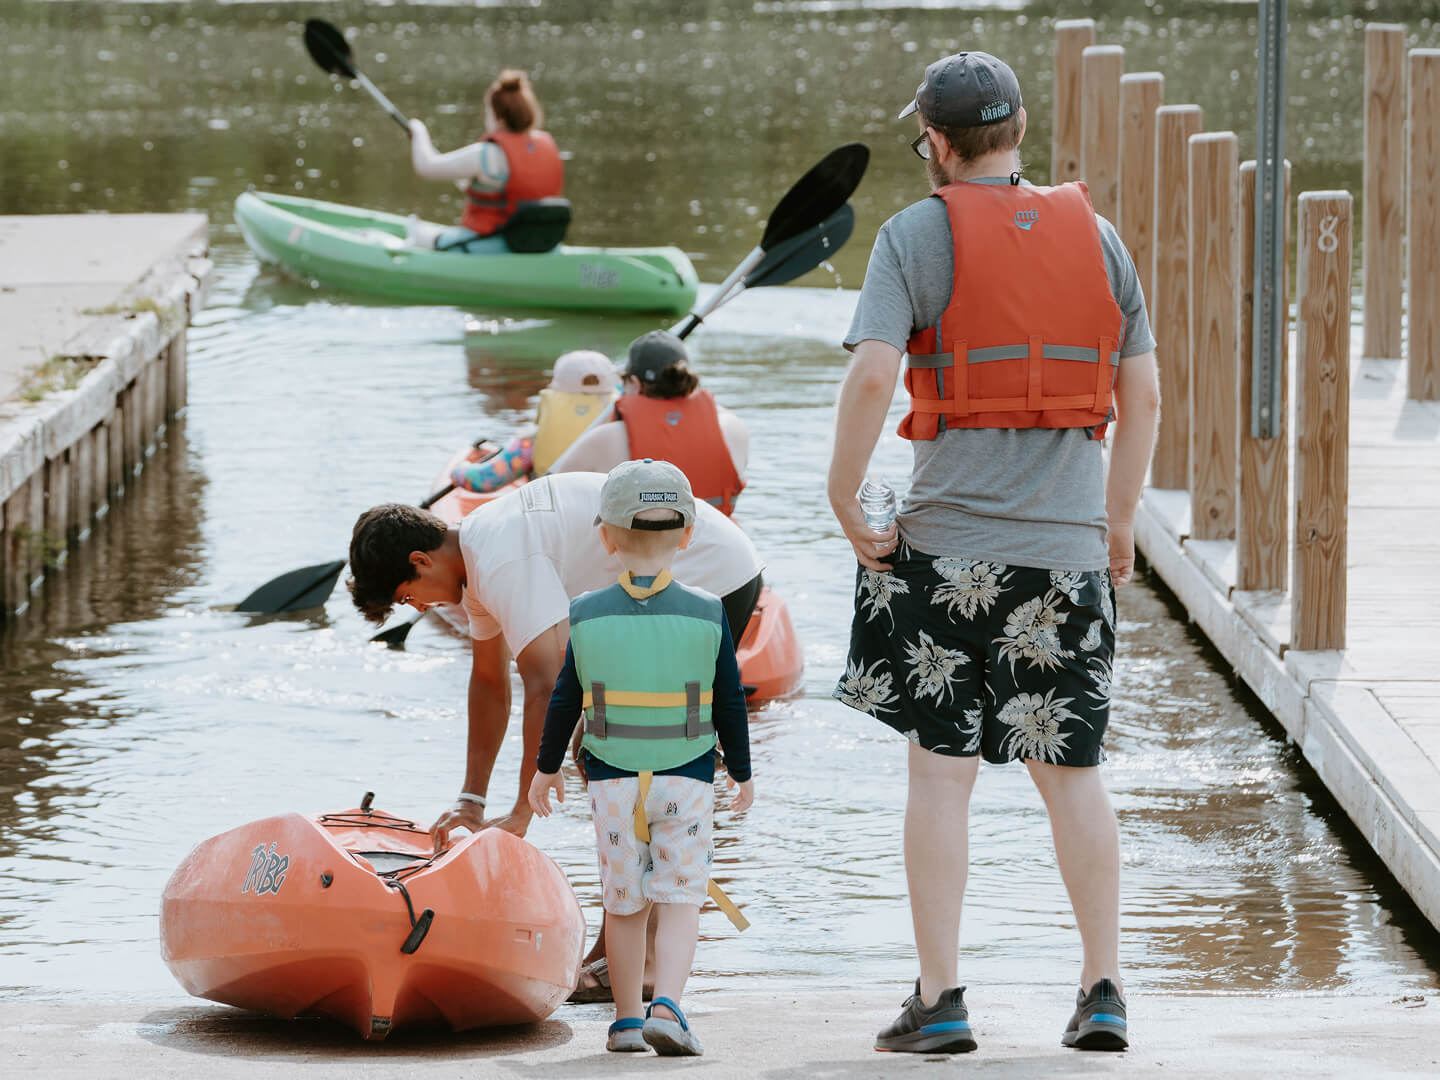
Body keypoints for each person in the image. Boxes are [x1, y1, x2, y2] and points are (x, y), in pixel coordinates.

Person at [828, 52, 1159, 1055]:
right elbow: (1143, 396)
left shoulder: (912, 237)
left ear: (932, 140)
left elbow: (874, 377)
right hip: (1064, 560)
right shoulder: (1097, 240)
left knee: (940, 776)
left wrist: (844, 495)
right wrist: (1117, 518)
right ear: (1017, 132)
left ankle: (942, 1001)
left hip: (943, 556)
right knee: (1074, 773)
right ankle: (1103, 990)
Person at [346, 470, 762, 842]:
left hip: (712, 573)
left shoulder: (499, 559)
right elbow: (490, 683)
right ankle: (647, 895)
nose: (418, 608)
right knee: (600, 743)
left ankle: (661, 893)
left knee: (612, 739)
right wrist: (471, 802)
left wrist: (521, 814)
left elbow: (544, 685)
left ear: (421, 561)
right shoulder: (477, 556)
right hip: (676, 577)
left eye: (407, 597)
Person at [529, 459, 754, 1057]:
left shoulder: (585, 612)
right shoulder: (708, 611)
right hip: (687, 779)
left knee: (623, 903)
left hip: (611, 784)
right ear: (688, 534)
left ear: (605, 536)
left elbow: (564, 699)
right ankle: (669, 1009)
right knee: (680, 899)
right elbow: (730, 699)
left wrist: (545, 769)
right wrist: (744, 772)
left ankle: (626, 1022)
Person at [550, 331, 749, 516]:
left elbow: (553, 497)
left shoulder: (605, 438)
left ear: (635, 384)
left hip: (639, 549)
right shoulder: (733, 427)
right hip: (708, 547)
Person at [406, 68, 563, 253]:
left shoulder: (487, 153)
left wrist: (418, 131)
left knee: (414, 231)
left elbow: (426, 166)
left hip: (492, 245)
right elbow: (504, 191)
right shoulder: (545, 144)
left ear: (498, 115)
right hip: (542, 246)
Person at [449, 350, 619, 494]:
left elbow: (483, 481)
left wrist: (459, 470)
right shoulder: (625, 430)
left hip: (554, 514)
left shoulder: (529, 442)